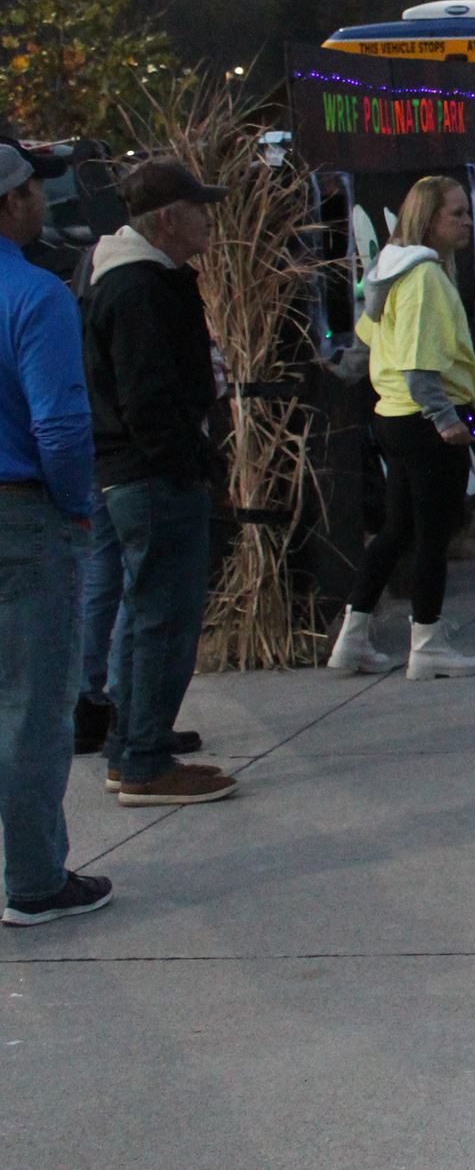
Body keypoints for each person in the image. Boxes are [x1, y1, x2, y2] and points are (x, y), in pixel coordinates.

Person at [85, 160, 238, 807]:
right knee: (164, 619)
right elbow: (146, 398)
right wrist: (187, 465)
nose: (209, 220)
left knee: (145, 613)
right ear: (168, 218)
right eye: (200, 208)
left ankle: (132, 747)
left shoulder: (138, 279)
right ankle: (145, 759)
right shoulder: (138, 289)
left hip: (136, 474)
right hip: (150, 477)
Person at [0, 139, 113, 924]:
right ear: (12, 203)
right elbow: (63, 427)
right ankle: (36, 879)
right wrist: (75, 506)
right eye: (34, 187)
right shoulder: (36, 295)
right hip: (24, 514)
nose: (43, 198)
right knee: (33, 707)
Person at [332, 175, 475, 679]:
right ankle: (427, 640)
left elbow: (364, 341)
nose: (467, 222)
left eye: (467, 212)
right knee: (431, 535)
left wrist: (343, 369)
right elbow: (420, 363)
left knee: (397, 530)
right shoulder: (423, 278)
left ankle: (353, 637)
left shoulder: (390, 268)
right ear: (427, 220)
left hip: (394, 415)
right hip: (426, 419)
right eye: (456, 213)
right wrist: (446, 419)